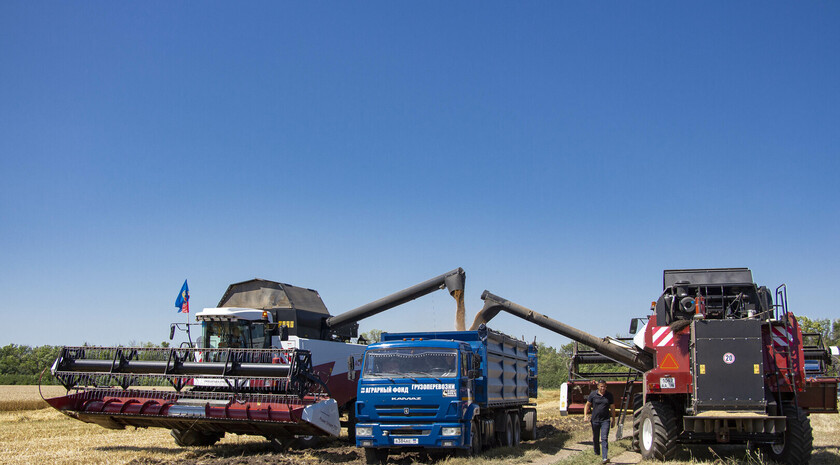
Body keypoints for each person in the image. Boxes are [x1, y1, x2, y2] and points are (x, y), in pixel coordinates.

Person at [584, 380, 616, 464]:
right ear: (598, 386)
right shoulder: (593, 395)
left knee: (604, 438)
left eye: (604, 386)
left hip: (605, 420)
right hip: (595, 420)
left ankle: (605, 457)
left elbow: (612, 408)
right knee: (596, 437)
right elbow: (587, 405)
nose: (603, 388)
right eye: (601, 386)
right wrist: (585, 415)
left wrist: (613, 419)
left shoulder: (609, 395)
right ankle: (597, 452)